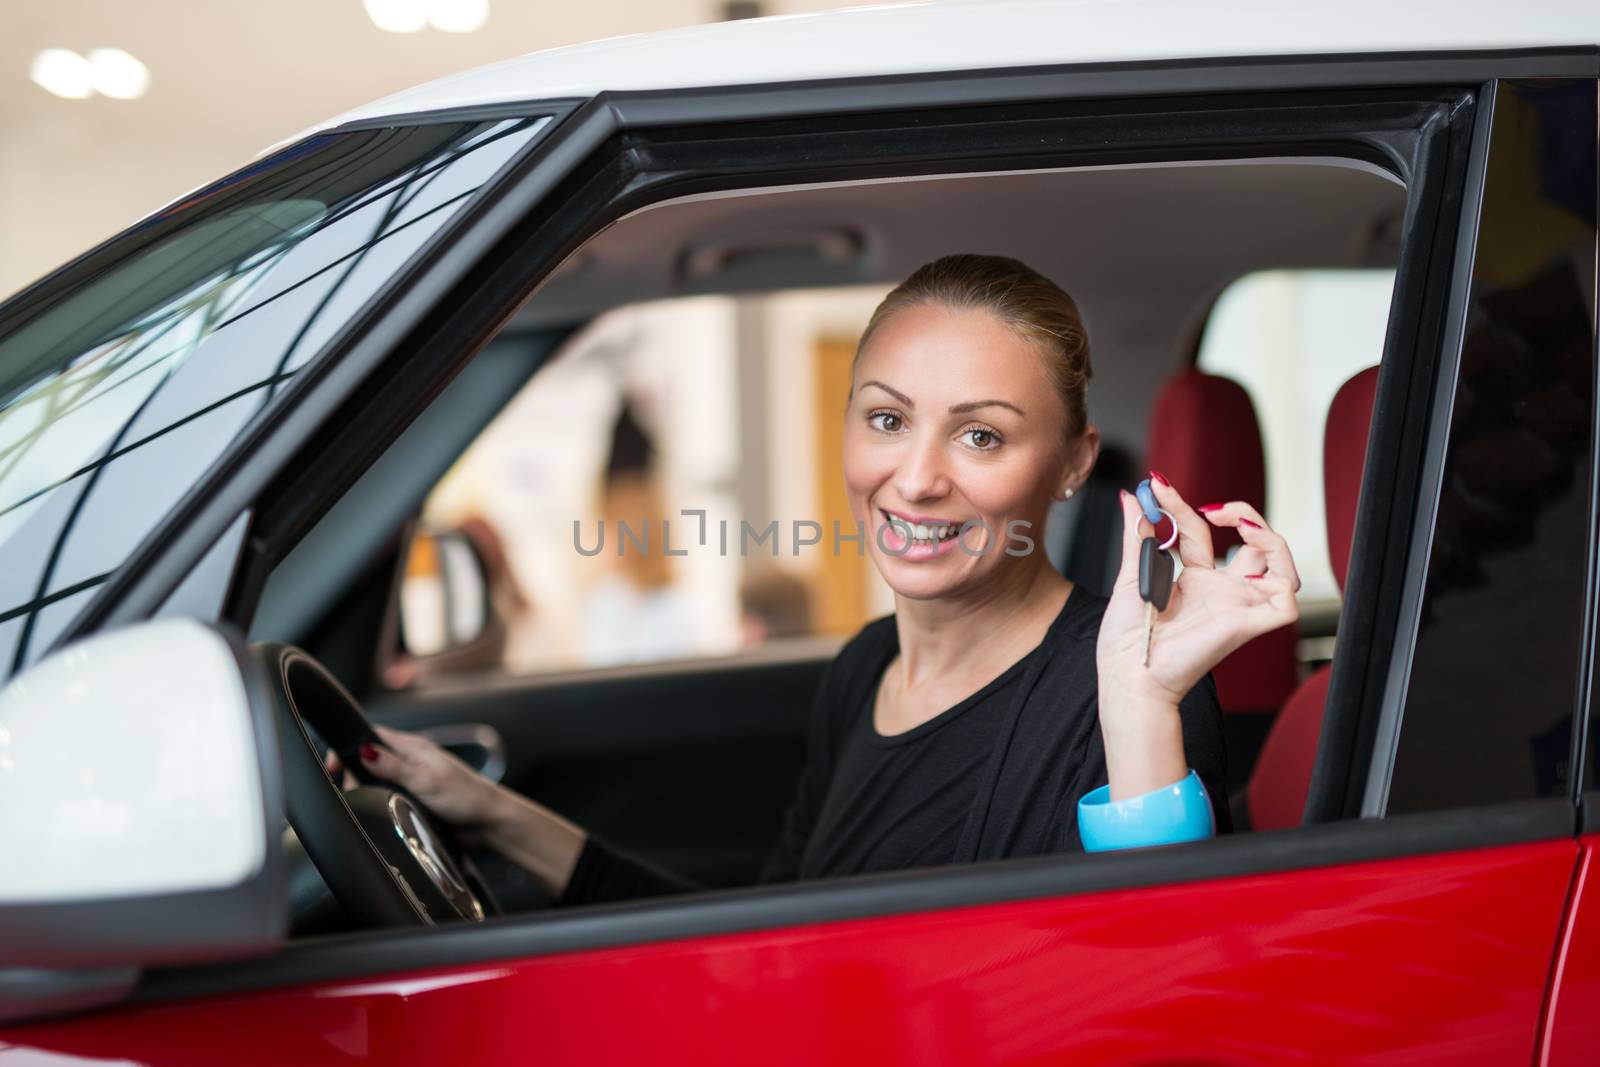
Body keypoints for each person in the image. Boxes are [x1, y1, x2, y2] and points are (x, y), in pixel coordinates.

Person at [344, 253, 1301, 905]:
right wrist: (490, 811)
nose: (917, 476)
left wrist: (1138, 704)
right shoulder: (865, 670)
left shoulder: (1125, 689)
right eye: (887, 419)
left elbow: (1156, 972)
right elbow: (763, 940)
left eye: (981, 435)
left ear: (1071, 462)